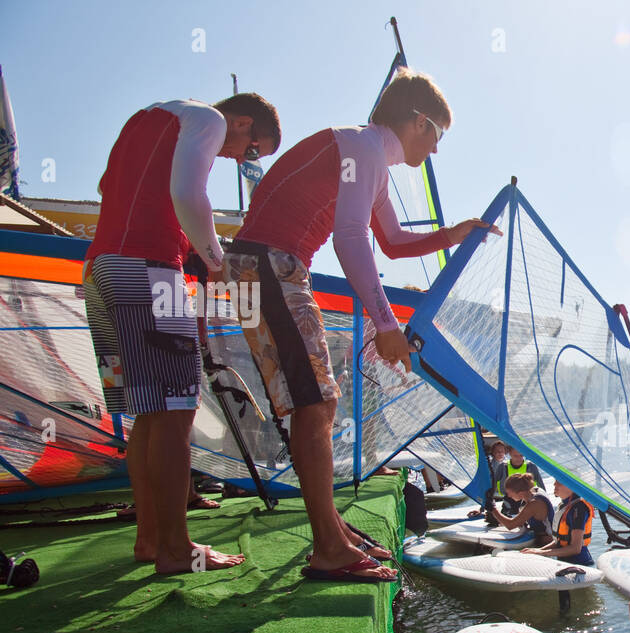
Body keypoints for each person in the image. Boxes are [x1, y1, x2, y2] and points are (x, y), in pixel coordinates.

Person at [224, 68, 501, 583]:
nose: (437, 150)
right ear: (418, 121)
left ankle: (330, 529)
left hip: (258, 270)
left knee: (315, 402)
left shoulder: (366, 154)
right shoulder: (365, 150)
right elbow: (350, 237)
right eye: (438, 134)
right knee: (317, 403)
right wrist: (386, 323)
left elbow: (392, 241)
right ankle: (327, 546)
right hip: (265, 266)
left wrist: (454, 234)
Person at [85, 93, 281, 574]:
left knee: (150, 415)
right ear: (240, 122)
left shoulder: (145, 118)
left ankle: (150, 539)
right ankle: (175, 549)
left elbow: (106, 185)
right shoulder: (206, 119)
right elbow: (189, 195)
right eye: (251, 150)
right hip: (148, 272)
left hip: (99, 270)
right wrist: (215, 262)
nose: (240, 160)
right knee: (177, 408)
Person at [522, 479, 593, 566]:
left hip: (581, 566)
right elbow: (559, 541)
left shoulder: (578, 508)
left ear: (571, 486)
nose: (554, 484)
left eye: (559, 481)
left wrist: (541, 553)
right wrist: (538, 551)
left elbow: (575, 548)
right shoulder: (564, 505)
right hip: (565, 563)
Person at [485, 473, 554, 545]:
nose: (508, 496)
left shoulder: (535, 504)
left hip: (547, 541)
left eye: (509, 493)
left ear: (520, 493)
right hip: (537, 536)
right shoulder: (532, 491)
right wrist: (498, 519)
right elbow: (521, 521)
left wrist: (493, 509)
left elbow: (510, 525)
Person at [493, 445, 545, 516]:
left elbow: (540, 484)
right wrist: (484, 506)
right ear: (510, 454)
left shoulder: (530, 466)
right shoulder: (503, 466)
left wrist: (545, 502)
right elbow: (493, 485)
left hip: (527, 500)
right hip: (509, 500)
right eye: (515, 456)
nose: (519, 458)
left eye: (521, 455)